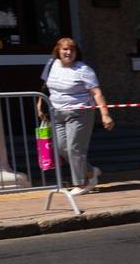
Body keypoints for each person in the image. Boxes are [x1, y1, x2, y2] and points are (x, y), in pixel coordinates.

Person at [39, 36, 113, 195]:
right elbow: (45, 86)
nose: (68, 52)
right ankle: (91, 171)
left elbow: (96, 93)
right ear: (58, 51)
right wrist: (40, 103)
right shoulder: (51, 64)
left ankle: (82, 183)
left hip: (80, 113)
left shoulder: (83, 70)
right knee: (60, 147)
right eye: (65, 49)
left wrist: (105, 115)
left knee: (74, 148)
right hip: (56, 112)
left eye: (72, 50)